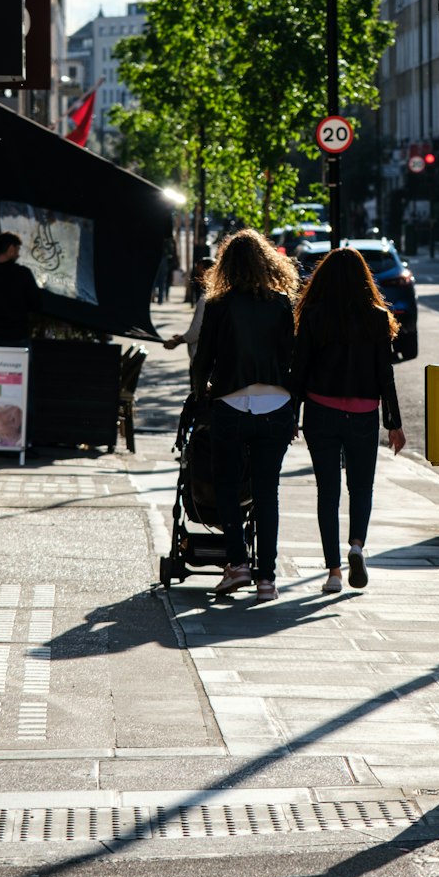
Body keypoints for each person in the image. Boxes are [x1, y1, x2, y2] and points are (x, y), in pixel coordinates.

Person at [289, 246, 406, 594]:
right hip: (363, 412)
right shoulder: (377, 316)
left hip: (321, 411)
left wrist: (291, 414)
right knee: (361, 486)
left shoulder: (312, 313)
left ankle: (334, 572)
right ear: (364, 279)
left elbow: (300, 369)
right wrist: (394, 423)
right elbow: (385, 374)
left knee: (328, 491)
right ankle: (356, 545)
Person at [190, 230, 298, 602]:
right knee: (268, 493)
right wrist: (293, 405)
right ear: (267, 262)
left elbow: (203, 358)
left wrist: (198, 392)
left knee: (226, 486)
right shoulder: (283, 303)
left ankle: (237, 564)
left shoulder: (219, 305)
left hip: (231, 403)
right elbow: (292, 359)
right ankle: (267, 579)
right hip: (275, 405)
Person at [0, 232, 39, 345]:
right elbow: (36, 303)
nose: (18, 255)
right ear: (11, 249)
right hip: (18, 336)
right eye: (17, 250)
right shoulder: (23, 274)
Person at [164, 256, 214, 361]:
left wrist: (178, 340)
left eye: (200, 273)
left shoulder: (206, 300)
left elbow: (196, 332)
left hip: (202, 358)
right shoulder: (211, 298)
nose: (196, 277)